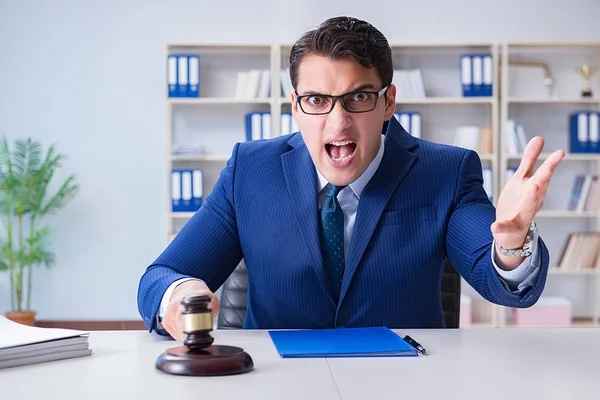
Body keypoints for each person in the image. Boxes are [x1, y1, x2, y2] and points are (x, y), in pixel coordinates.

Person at [137, 16, 564, 341]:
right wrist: (179, 293)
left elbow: (501, 283)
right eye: (317, 100)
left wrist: (510, 244)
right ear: (295, 106)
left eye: (358, 97)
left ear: (388, 101)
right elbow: (161, 274)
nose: (338, 123)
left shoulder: (445, 173)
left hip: (402, 385)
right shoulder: (250, 171)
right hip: (278, 386)